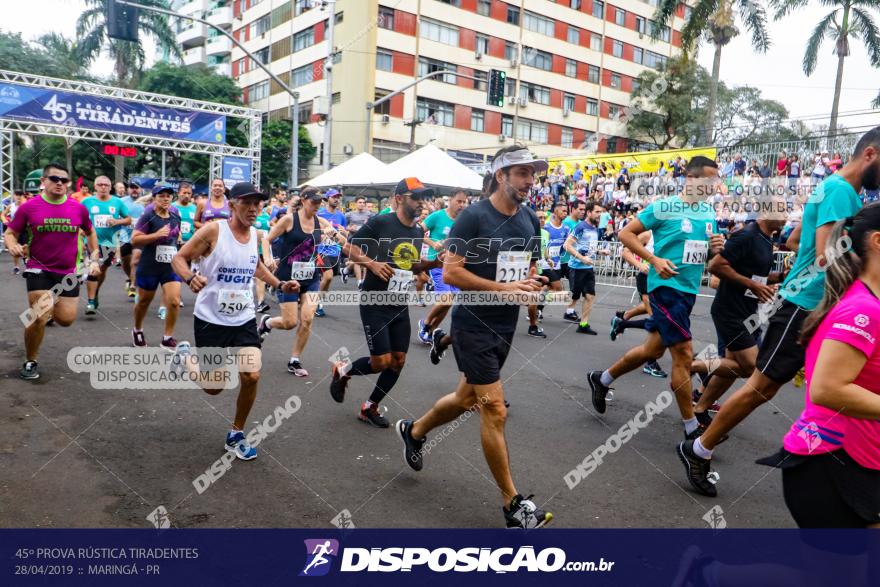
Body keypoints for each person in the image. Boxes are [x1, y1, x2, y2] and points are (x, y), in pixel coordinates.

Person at [678, 128, 878, 497]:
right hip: (805, 306)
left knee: (833, 389)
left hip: (815, 305)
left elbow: (795, 238)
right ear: (869, 154)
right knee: (761, 386)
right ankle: (700, 447)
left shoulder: (837, 191)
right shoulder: (840, 192)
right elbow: (826, 255)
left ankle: (837, 470)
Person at [396, 147, 553, 529]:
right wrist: (506, 288)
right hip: (473, 325)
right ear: (501, 175)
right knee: (494, 409)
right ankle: (512, 504)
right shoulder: (473, 217)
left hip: (505, 325)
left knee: (466, 399)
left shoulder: (529, 217)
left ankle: (414, 432)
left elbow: (529, 266)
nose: (530, 181)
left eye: (533, 174)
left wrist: (533, 283)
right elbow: (451, 274)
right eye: (522, 173)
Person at [757, 203, 880, 528]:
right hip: (832, 463)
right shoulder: (863, 310)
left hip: (856, 459)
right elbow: (827, 389)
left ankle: (707, 572)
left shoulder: (863, 300)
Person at [587, 156, 725, 436]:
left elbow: (709, 254)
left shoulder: (709, 214)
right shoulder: (665, 207)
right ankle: (692, 429)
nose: (714, 185)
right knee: (684, 356)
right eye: (709, 179)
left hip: (688, 291)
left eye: (716, 181)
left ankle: (601, 379)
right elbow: (626, 234)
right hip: (665, 289)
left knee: (651, 350)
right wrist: (654, 260)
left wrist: (717, 247)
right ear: (690, 179)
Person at [170, 182, 300, 461]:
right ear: (232, 205)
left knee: (251, 374)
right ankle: (184, 357)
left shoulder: (255, 235)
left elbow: (255, 265)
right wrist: (190, 277)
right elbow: (179, 258)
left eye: (258, 203)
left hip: (243, 317)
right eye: (247, 203)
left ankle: (237, 433)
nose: (254, 209)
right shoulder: (213, 231)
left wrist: (279, 284)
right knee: (214, 386)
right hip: (210, 319)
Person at [328, 178, 437, 427]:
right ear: (399, 198)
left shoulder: (418, 231)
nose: (421, 203)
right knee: (380, 362)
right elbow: (350, 247)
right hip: (374, 300)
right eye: (416, 197)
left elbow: (412, 266)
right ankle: (343, 370)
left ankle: (370, 407)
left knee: (398, 360)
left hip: (398, 302)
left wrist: (433, 263)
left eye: (424, 198)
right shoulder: (381, 222)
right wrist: (372, 264)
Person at [689, 200, 787, 426]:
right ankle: (689, 366)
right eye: (781, 210)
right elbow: (716, 266)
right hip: (730, 311)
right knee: (749, 367)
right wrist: (752, 286)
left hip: (747, 312)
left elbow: (755, 276)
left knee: (731, 367)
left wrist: (778, 278)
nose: (786, 216)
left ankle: (701, 408)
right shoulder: (747, 235)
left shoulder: (766, 239)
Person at [3, 163, 100, 380]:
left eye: (64, 180)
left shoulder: (78, 208)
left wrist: (94, 257)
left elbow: (90, 232)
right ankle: (31, 360)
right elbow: (10, 233)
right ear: (43, 182)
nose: (59, 183)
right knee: (38, 315)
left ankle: (46, 307)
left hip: (67, 271)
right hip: (39, 268)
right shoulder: (29, 207)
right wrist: (12, 245)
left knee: (66, 319)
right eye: (54, 179)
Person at [259, 187, 344, 377]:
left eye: (319, 202)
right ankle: (268, 323)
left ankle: (295, 360)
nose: (317, 205)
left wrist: (334, 234)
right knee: (290, 322)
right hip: (288, 278)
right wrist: (267, 258)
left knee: (307, 318)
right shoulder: (289, 220)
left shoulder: (320, 221)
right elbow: (266, 240)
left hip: (311, 277)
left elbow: (343, 243)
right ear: (304, 200)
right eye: (314, 201)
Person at [131, 185, 183, 350]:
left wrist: (178, 239)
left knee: (174, 301)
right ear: (154, 198)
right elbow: (135, 239)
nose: (166, 198)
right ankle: (137, 329)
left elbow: (176, 234)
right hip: (149, 265)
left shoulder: (175, 215)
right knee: (144, 301)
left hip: (170, 265)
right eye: (161, 196)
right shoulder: (148, 215)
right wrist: (156, 235)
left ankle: (167, 338)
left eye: (168, 196)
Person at [610, 230, 668, 378]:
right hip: (646, 279)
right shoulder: (648, 235)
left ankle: (622, 321)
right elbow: (625, 252)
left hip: (663, 281)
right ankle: (651, 362)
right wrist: (639, 265)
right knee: (657, 320)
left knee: (657, 317)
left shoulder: (673, 231)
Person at [417, 189, 468, 344]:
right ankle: (425, 324)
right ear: (450, 200)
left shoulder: (464, 220)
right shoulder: (437, 216)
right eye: (459, 201)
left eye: (464, 202)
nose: (462, 205)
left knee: (448, 302)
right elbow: (417, 232)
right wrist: (433, 243)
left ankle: (431, 331)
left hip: (457, 266)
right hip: (437, 263)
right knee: (445, 300)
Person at [81, 175, 131, 315]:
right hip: (92, 243)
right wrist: (81, 231)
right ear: (95, 187)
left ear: (110, 187)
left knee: (101, 270)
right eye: (100, 184)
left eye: (106, 185)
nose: (103, 187)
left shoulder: (117, 202)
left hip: (110, 244)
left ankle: (95, 292)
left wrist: (117, 222)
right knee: (93, 268)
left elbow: (128, 219)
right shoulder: (86, 202)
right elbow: (77, 218)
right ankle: (90, 301)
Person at [564, 202, 606, 335]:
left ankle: (583, 324)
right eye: (597, 212)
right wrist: (582, 259)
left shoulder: (594, 228)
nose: (600, 215)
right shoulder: (580, 227)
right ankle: (540, 304)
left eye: (601, 212)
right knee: (574, 295)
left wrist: (599, 252)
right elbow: (567, 245)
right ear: (589, 213)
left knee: (590, 296)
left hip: (588, 267)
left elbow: (587, 248)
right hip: (576, 268)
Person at [314, 188, 347, 317]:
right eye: (334, 197)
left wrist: (343, 232)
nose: (336, 199)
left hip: (335, 251)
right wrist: (323, 233)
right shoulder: (320, 214)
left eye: (338, 197)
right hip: (321, 250)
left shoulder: (341, 216)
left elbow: (344, 234)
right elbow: (312, 229)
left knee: (327, 280)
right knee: (327, 276)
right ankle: (316, 302)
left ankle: (318, 301)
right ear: (327, 198)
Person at [119, 182, 146, 300]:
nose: (134, 190)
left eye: (136, 188)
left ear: (140, 189)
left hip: (140, 237)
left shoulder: (146, 202)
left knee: (135, 261)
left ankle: (133, 286)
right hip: (125, 236)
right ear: (128, 190)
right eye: (132, 188)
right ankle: (130, 278)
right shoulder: (122, 201)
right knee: (125, 262)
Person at [561, 200, 586, 322]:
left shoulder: (582, 223)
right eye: (580, 209)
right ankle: (537, 308)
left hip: (573, 261)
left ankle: (569, 311)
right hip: (560, 260)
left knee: (577, 287)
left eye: (583, 209)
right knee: (552, 286)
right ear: (573, 209)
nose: (582, 211)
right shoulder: (566, 222)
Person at [344, 196, 374, 288]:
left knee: (364, 261)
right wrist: (349, 228)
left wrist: (367, 226)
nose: (361, 204)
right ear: (356, 203)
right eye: (360, 202)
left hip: (365, 240)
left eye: (363, 203)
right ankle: (359, 282)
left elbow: (373, 227)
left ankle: (363, 280)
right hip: (353, 239)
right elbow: (344, 227)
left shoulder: (370, 215)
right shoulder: (349, 215)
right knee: (357, 260)